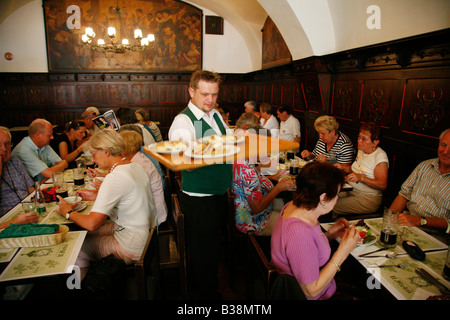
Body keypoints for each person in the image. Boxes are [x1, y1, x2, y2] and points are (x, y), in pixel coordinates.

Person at [56, 129, 157, 279]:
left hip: (132, 246)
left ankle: (86, 291)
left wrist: (67, 212)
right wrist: (96, 196)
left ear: (106, 151)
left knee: (76, 247)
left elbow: (92, 223)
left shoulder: (115, 177)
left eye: (94, 154)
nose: (93, 160)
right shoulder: (134, 166)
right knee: (82, 235)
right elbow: (127, 198)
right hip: (147, 236)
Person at [168, 69, 233, 299]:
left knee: (213, 250)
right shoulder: (182, 122)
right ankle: (206, 298)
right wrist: (219, 152)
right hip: (199, 200)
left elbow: (225, 140)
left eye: (215, 94)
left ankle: (210, 287)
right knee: (203, 254)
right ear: (191, 91)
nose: (211, 100)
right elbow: (184, 163)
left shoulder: (213, 114)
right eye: (205, 94)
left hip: (217, 194)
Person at [270, 161, 360, 300]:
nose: (337, 199)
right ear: (323, 198)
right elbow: (311, 291)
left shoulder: (296, 206)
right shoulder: (299, 232)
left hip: (324, 285)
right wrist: (343, 251)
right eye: (336, 194)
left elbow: (305, 249)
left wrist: (330, 234)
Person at [232, 113, 294, 235]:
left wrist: (271, 177)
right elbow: (257, 207)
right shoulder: (246, 169)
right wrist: (278, 188)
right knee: (295, 220)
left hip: (252, 208)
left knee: (293, 206)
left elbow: (250, 183)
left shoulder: (242, 158)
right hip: (253, 220)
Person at [390, 128, 450, 232]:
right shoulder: (424, 166)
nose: (446, 151)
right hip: (406, 225)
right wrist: (388, 220)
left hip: (436, 237)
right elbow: (404, 194)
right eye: (443, 145)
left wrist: (421, 221)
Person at [333, 123, 389, 215]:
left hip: (367, 198)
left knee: (332, 206)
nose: (359, 141)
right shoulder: (362, 150)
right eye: (359, 137)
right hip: (351, 190)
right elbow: (356, 171)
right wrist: (343, 167)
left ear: (375, 142)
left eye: (364, 139)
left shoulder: (380, 157)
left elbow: (382, 184)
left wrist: (362, 178)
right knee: (325, 198)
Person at [120, 130, 167, 226]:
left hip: (153, 217)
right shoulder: (137, 158)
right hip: (149, 210)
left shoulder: (139, 164)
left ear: (125, 148)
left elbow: (130, 193)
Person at [0, 127, 36, 222]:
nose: (4, 148)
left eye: (7, 144)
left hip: (28, 211)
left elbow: (31, 189)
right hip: (8, 222)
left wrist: (37, 200)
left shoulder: (14, 161)